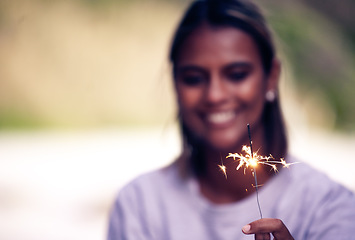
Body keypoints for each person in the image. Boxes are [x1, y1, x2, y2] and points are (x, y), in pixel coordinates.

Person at [107, 0, 355, 239]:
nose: (215, 95)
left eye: (237, 75)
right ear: (176, 84)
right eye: (194, 78)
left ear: (271, 77)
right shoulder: (139, 206)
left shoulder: (329, 208)